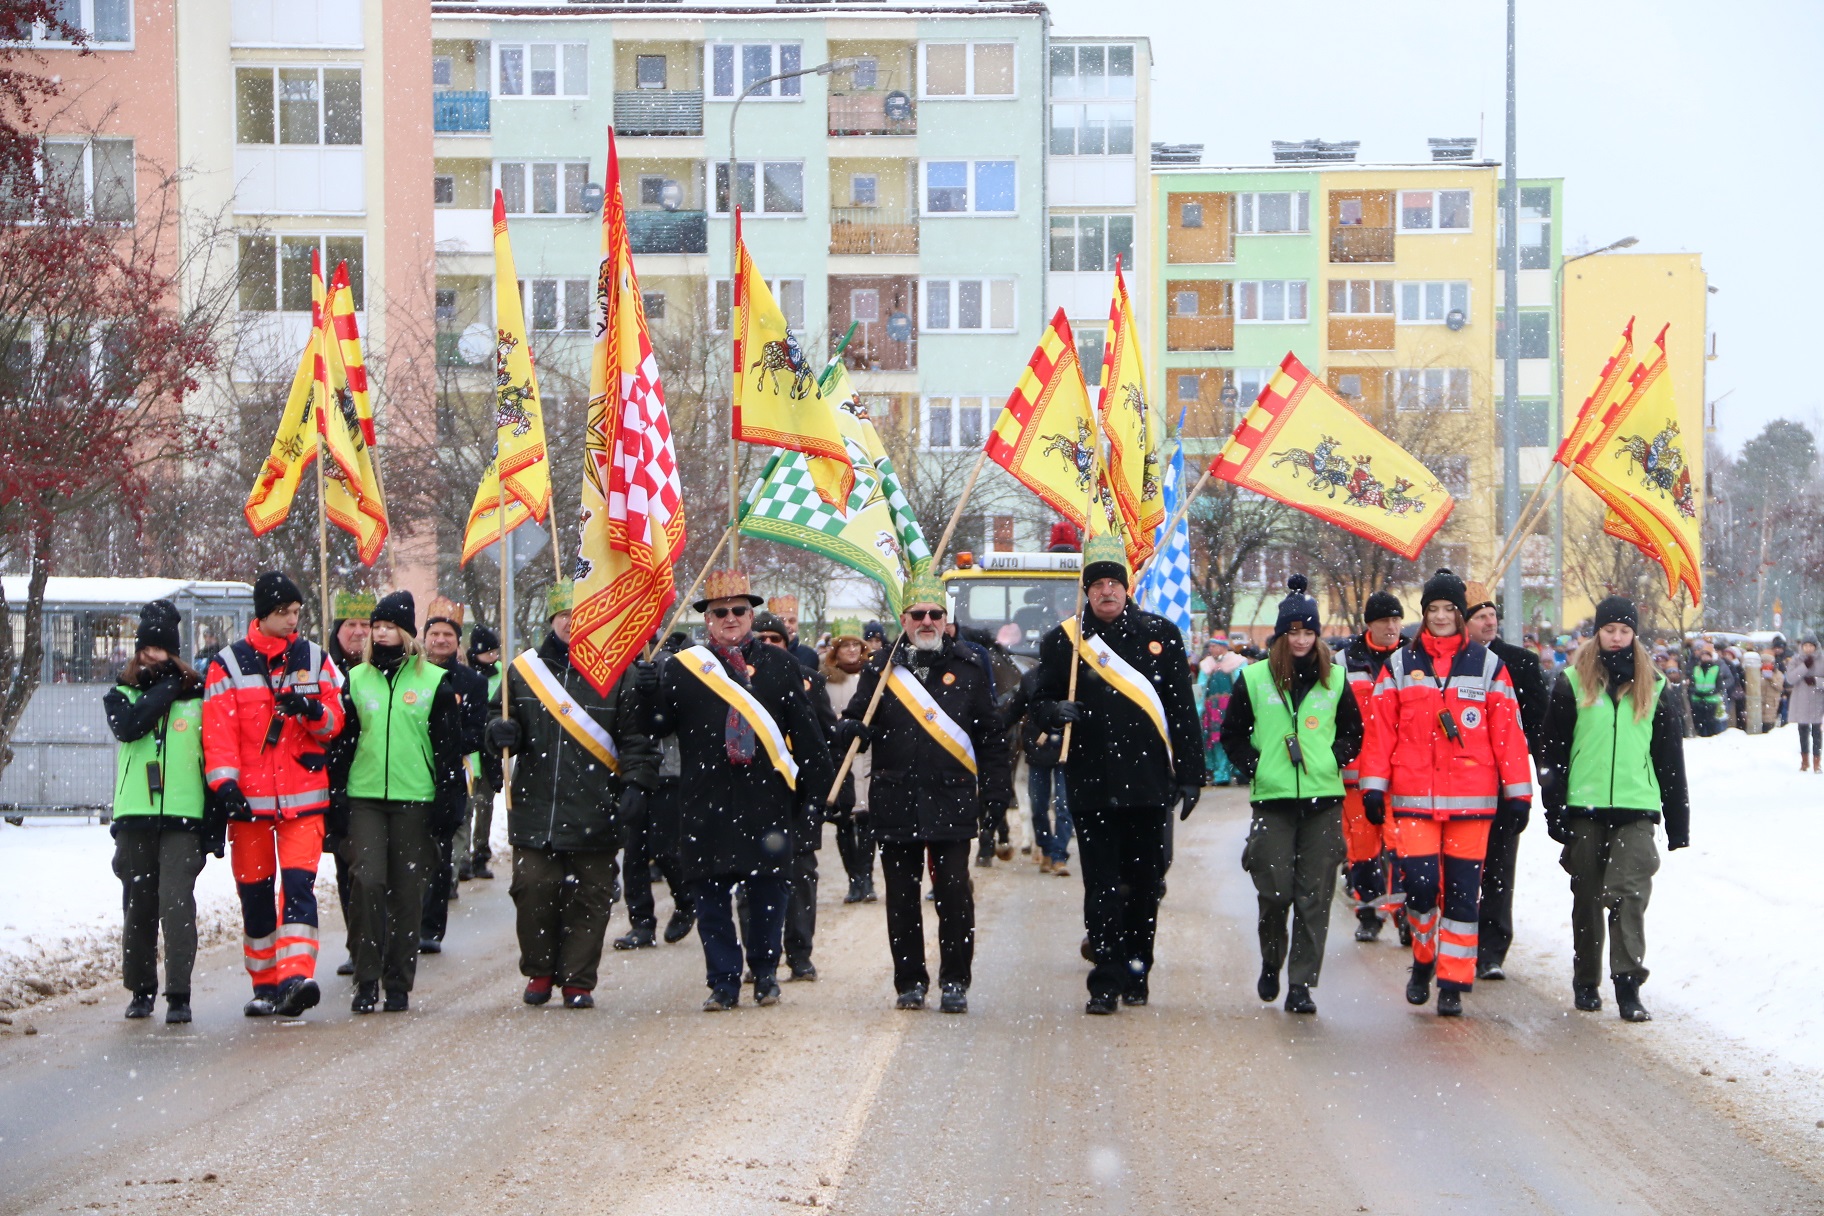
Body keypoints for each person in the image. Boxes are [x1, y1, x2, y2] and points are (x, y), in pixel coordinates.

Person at [637, 570, 834, 1011]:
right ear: (706, 619)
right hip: (706, 801)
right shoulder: (685, 668)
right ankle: (722, 982)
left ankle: (765, 974)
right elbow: (657, 728)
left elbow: (807, 736)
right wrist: (647, 692)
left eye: (739, 610)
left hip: (765, 800)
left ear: (752, 614)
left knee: (768, 894)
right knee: (709, 900)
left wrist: (813, 801)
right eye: (719, 611)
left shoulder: (781, 665)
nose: (730, 618)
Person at [1031, 535, 1205, 1015]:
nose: (1107, 591)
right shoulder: (1063, 640)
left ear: (1127, 589)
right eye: (1098, 584)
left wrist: (1191, 774)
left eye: (1114, 583)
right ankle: (1104, 980)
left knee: (1145, 886)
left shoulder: (1161, 635)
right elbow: (1036, 703)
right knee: (1102, 887)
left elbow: (1181, 710)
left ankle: (1137, 969)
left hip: (1150, 786)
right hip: (1092, 785)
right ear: (1086, 592)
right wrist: (1051, 710)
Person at [1357, 569, 1532, 1018]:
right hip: (1414, 799)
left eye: (1447, 609)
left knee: (1460, 895)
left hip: (1472, 805)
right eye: (1432, 609)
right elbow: (1379, 734)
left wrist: (1518, 794)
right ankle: (1422, 959)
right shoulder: (1399, 666)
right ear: (1424, 613)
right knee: (1418, 888)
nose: (1439, 617)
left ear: (1460, 614)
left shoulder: (1489, 666)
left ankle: (1453, 980)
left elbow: (1508, 735)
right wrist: (1374, 786)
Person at [835, 574, 1010, 1013]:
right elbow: (856, 723)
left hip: (951, 797)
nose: (927, 621)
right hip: (895, 798)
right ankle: (909, 983)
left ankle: (955, 982)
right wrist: (852, 730)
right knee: (901, 899)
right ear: (904, 619)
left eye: (935, 614)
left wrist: (996, 794)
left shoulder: (970, 665)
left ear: (946, 619)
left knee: (954, 895)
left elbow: (990, 736)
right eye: (919, 615)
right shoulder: (881, 668)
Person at [488, 583, 655, 1008]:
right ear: (552, 620)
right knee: (532, 889)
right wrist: (497, 733)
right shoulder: (521, 671)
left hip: (597, 805)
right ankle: (540, 970)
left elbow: (637, 738)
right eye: (564, 614)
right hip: (536, 806)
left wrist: (637, 784)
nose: (571, 622)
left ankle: (578, 979)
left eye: (580, 614)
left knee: (591, 894)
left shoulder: (621, 673)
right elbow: (496, 718)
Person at [1538, 596, 1689, 1021]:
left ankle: (1628, 986)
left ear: (1634, 634)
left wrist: (1678, 822)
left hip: (1636, 805)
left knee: (1629, 895)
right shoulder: (1571, 682)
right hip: (1584, 807)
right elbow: (1552, 752)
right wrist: (1555, 809)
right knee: (1586, 896)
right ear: (1598, 632)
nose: (1617, 638)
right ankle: (1586, 980)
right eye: (1610, 630)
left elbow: (1669, 760)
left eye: (1624, 631)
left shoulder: (1655, 685)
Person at [202, 571, 344, 1019]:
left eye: (297, 613)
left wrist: (313, 710)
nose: (292, 621)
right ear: (262, 615)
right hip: (250, 805)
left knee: (300, 887)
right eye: (284, 613)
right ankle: (265, 984)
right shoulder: (228, 664)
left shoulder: (315, 659)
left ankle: (295, 977)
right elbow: (218, 733)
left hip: (303, 798)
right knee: (256, 894)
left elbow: (334, 724)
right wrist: (224, 785)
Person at [1220, 578, 1362, 1015]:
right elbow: (1232, 735)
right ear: (1280, 635)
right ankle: (1271, 960)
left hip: (1323, 803)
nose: (1301, 640)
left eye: (1308, 632)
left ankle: (1301, 984)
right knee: (1275, 892)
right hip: (1273, 803)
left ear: (1317, 635)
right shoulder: (1254, 677)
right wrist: (1257, 766)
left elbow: (1354, 733)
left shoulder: (1335, 679)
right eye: (1293, 632)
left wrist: (1331, 759)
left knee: (1314, 896)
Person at [332, 592, 465, 1013]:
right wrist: (335, 799)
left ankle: (398, 982)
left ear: (407, 632)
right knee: (367, 881)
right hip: (365, 797)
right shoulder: (355, 680)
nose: (381, 632)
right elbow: (343, 746)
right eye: (377, 626)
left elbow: (447, 749)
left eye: (389, 625)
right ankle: (366, 979)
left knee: (407, 892)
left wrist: (449, 801)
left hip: (415, 799)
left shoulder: (433, 682)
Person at [105, 600, 223, 1024]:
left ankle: (179, 994)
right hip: (135, 815)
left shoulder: (198, 698)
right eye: (147, 649)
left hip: (182, 816)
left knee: (176, 904)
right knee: (138, 906)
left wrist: (214, 826)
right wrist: (167, 687)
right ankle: (140, 990)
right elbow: (130, 726)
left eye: (161, 649)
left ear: (173, 651)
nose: (153, 656)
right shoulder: (121, 694)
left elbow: (211, 760)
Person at [1462, 581, 1548, 982]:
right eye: (1479, 616)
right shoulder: (1445, 664)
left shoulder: (1520, 663)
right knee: (1460, 871)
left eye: (1492, 615)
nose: (1489, 622)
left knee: (1498, 869)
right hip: (1458, 785)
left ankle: (1492, 949)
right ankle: (1454, 944)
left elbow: (1539, 728)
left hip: (1501, 783)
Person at [754, 610, 835, 981]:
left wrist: (828, 795)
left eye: (775, 640)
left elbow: (824, 741)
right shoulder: (735, 681)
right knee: (752, 881)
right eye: (763, 640)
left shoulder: (810, 682)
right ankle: (758, 957)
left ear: (788, 646)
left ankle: (800, 954)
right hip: (755, 795)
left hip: (797, 795)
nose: (768, 646)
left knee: (801, 877)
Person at [615, 630, 697, 949]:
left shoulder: (680, 663)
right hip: (634, 771)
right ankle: (642, 923)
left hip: (669, 770)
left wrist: (655, 688)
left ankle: (686, 900)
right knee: (634, 851)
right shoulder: (621, 665)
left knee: (665, 848)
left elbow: (676, 715)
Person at [419, 598, 489, 953]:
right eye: (435, 633)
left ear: (457, 640)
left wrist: (447, 736)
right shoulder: (411, 672)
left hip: (449, 776)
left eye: (448, 634)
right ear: (424, 637)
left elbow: (477, 732)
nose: (441, 640)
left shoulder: (472, 682)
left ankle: (431, 927)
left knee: (440, 852)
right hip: (411, 771)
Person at [1337, 590, 1407, 943]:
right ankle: (1369, 913)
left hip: (1402, 774)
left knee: (1401, 847)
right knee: (1362, 851)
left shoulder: (1414, 658)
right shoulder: (1342, 663)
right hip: (1357, 777)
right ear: (1370, 624)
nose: (1392, 627)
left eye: (1396, 620)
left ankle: (1406, 914)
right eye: (1385, 621)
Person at [322, 591, 372, 977]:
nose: (358, 632)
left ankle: (378, 942)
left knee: (371, 872)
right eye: (351, 625)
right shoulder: (324, 671)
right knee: (348, 870)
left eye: (365, 625)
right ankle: (359, 947)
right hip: (338, 784)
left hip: (374, 781)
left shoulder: (382, 668)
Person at [820, 625, 878, 902]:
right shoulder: (827, 680)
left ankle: (867, 877)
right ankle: (853, 877)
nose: (852, 651)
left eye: (856, 646)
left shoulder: (873, 678)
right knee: (845, 821)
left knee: (867, 819)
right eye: (846, 646)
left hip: (866, 755)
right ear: (836, 650)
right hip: (840, 756)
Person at [1003, 666, 1073, 876]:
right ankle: (1046, 849)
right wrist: (994, 729)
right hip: (1038, 750)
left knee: (1063, 805)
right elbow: (1014, 711)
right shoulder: (1031, 680)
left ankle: (1059, 854)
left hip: (1066, 751)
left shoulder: (1073, 677)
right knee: (1038, 806)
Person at [455, 624, 503, 880]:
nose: (493, 657)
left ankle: (480, 854)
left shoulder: (501, 676)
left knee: (485, 805)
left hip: (489, 753)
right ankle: (462, 859)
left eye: (496, 651)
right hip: (469, 754)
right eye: (489, 652)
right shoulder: (467, 677)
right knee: (467, 808)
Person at [1198, 638, 1236, 787]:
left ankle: (1230, 771)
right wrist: (1199, 708)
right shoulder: (1207, 665)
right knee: (1214, 740)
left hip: (1229, 707)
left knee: (1229, 737)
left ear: (1222, 647)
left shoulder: (1236, 662)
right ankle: (1220, 773)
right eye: (1210, 646)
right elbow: (1201, 688)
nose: (1211, 649)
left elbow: (1241, 684)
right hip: (1212, 708)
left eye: (1214, 646)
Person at [1784, 635, 1824, 771]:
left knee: (1817, 733)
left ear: (1815, 646)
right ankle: (1804, 761)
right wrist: (1804, 667)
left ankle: (1817, 763)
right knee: (1803, 732)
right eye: (1805, 646)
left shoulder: (1822, 660)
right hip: (1801, 701)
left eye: (1811, 646)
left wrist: (1816, 681)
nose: (1808, 649)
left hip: (1817, 700)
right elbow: (1790, 678)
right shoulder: (1796, 660)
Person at [766, 594, 821, 672]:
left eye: (792, 621)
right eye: (781, 620)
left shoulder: (809, 656)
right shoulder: (761, 651)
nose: (787, 625)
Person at [1688, 643, 1731, 737]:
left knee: (1711, 723)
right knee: (1699, 723)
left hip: (1712, 700)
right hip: (1698, 699)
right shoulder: (1696, 669)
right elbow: (1692, 684)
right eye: (1703, 656)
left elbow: (1719, 685)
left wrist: (1710, 693)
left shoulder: (1716, 669)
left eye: (1707, 656)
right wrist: (1696, 692)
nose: (1704, 658)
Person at [1758, 651, 1782, 735]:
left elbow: (1780, 687)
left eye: (1767, 663)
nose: (1765, 664)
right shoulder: (1757, 673)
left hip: (1772, 702)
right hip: (1760, 702)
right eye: (1763, 662)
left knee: (1769, 726)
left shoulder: (1778, 674)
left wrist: (1771, 678)